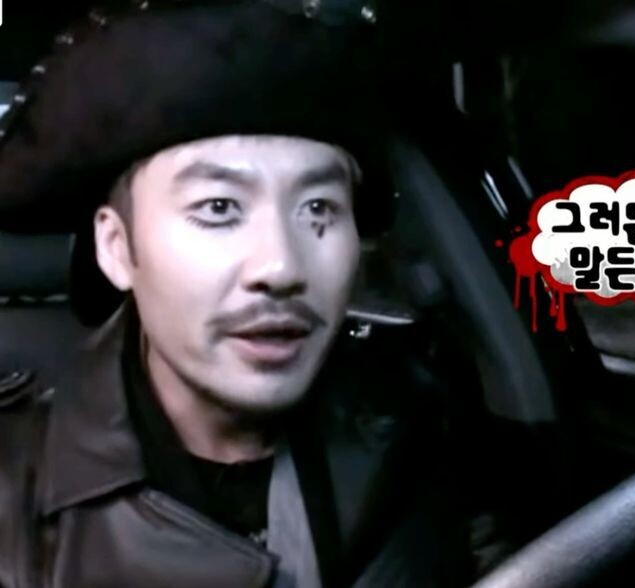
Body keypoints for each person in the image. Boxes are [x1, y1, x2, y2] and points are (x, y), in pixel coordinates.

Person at [0, 1, 510, 586]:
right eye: (219, 208)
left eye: (317, 209)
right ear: (117, 248)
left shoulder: (429, 430)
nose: (281, 266)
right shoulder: (15, 492)